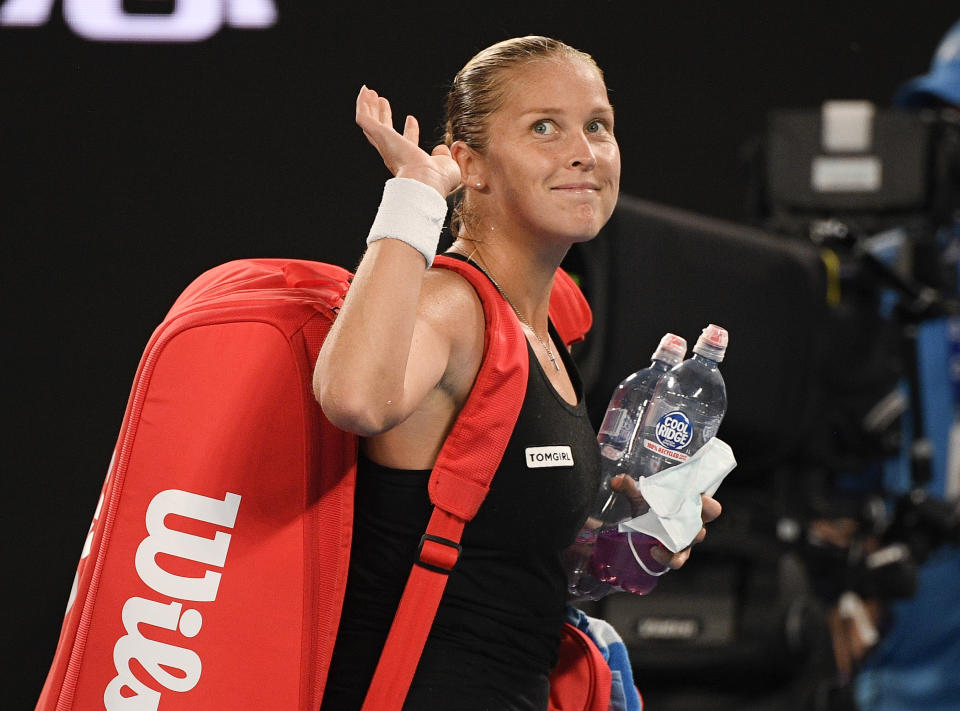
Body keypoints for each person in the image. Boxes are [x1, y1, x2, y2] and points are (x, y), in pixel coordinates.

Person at [313, 35, 722, 710]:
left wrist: (620, 535)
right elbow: (354, 397)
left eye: (598, 126)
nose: (583, 152)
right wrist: (415, 195)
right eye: (544, 128)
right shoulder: (451, 308)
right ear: (469, 164)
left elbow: (496, 558)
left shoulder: (545, 331)